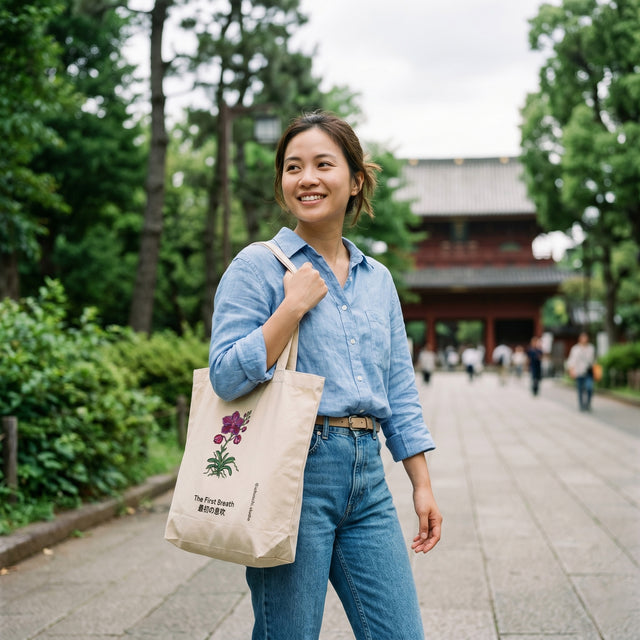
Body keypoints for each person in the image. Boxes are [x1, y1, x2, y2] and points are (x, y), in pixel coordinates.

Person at [209, 112, 442, 639]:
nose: (306, 178)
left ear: (355, 180)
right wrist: (288, 310)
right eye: (293, 167)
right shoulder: (257, 266)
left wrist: (421, 484)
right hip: (294, 471)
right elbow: (224, 374)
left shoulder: (377, 280)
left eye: (322, 164)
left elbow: (399, 389)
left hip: (368, 476)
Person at [567, 332, 596, 411]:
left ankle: (588, 403)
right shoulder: (575, 349)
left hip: (588, 371)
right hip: (579, 371)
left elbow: (593, 360)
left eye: (586, 338)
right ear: (580, 339)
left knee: (589, 388)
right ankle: (581, 405)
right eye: (583, 338)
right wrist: (571, 370)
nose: (584, 339)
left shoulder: (591, 348)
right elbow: (572, 360)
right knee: (580, 389)